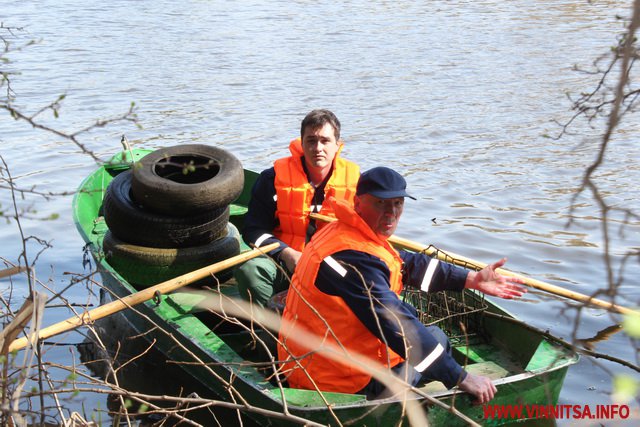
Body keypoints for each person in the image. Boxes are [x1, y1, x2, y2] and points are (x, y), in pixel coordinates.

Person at [277, 166, 526, 404]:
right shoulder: (354, 259)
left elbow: (405, 264)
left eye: (398, 203)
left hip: (303, 364)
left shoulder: (344, 232)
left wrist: (470, 279)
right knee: (436, 338)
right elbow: (397, 326)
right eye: (381, 203)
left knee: (428, 336)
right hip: (339, 384)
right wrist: (462, 378)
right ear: (358, 203)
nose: (391, 213)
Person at [234, 109, 360, 307]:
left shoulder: (357, 183)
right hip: (284, 264)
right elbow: (253, 231)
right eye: (311, 140)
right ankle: (271, 329)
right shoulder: (272, 179)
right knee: (250, 270)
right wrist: (286, 253)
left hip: (332, 266)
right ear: (302, 143)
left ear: (337, 145)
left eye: (325, 141)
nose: (318, 148)